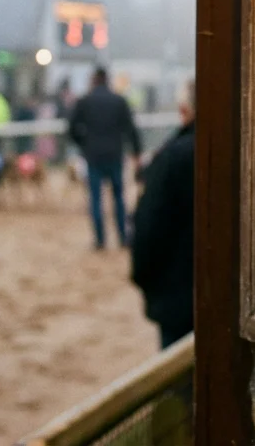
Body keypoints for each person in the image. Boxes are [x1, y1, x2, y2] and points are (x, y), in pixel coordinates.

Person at [132, 79, 195, 346]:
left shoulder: (171, 158)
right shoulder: (248, 147)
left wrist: (143, 280)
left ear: (184, 110)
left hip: (179, 304)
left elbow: (147, 230)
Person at [68, 68, 142, 250]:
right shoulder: (119, 101)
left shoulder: (84, 101)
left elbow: (71, 129)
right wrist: (136, 152)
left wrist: (83, 144)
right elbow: (131, 129)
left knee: (95, 199)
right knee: (119, 198)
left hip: (93, 156)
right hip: (115, 155)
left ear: (93, 80)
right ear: (107, 80)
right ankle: (123, 238)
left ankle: (100, 240)